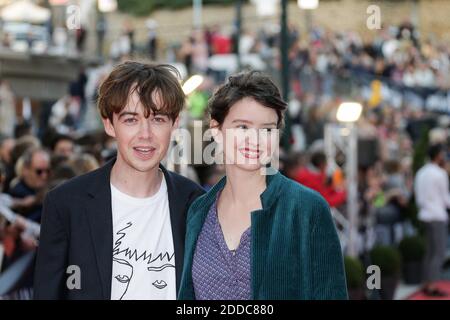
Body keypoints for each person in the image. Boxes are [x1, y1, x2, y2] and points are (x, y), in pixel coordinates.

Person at [34, 62, 205, 300]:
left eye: (157, 119)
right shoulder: (66, 205)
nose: (145, 135)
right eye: (131, 120)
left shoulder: (195, 203)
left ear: (174, 124)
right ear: (109, 124)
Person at [178, 71, 347, 300]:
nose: (255, 140)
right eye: (243, 127)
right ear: (217, 130)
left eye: (267, 129)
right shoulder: (198, 212)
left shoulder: (306, 209)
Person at [414, 144, 450, 296]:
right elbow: (445, 197)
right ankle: (432, 286)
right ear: (438, 155)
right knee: (439, 252)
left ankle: (427, 283)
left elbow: (418, 196)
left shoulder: (421, 172)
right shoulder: (439, 173)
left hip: (425, 215)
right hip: (436, 215)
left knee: (430, 252)